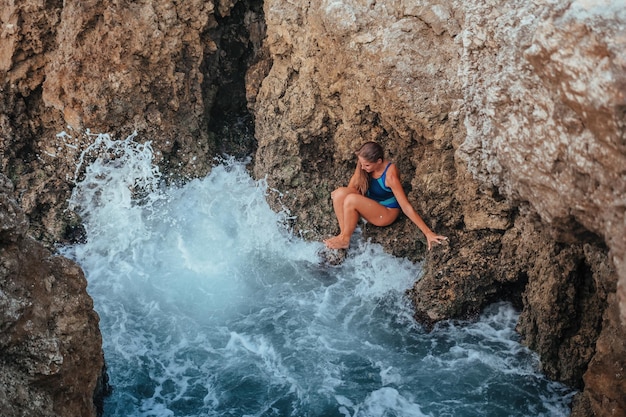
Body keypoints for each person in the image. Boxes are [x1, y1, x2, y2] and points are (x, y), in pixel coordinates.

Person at [324, 141, 447, 250]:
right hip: (371, 203)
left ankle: (345, 240)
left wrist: (428, 232)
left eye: (367, 165)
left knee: (351, 199)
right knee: (340, 193)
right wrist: (344, 197)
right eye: (361, 164)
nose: (362, 167)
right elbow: (352, 188)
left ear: (379, 161)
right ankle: (343, 234)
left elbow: (405, 206)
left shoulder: (390, 176)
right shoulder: (364, 164)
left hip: (386, 213)